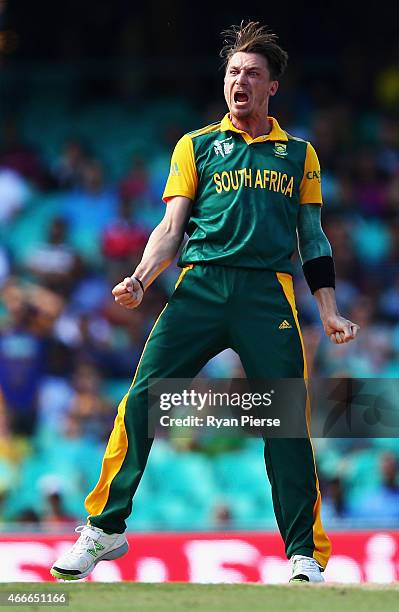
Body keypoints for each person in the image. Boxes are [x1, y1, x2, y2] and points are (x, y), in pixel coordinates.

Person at [51, 21, 359, 583]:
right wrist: (142, 278)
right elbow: (171, 226)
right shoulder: (195, 145)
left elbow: (311, 237)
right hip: (199, 287)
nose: (240, 81)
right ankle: (104, 528)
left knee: (287, 420)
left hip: (268, 293)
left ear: (272, 88)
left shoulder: (299, 154)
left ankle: (304, 556)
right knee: (142, 398)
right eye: (233, 72)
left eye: (253, 74)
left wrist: (330, 309)